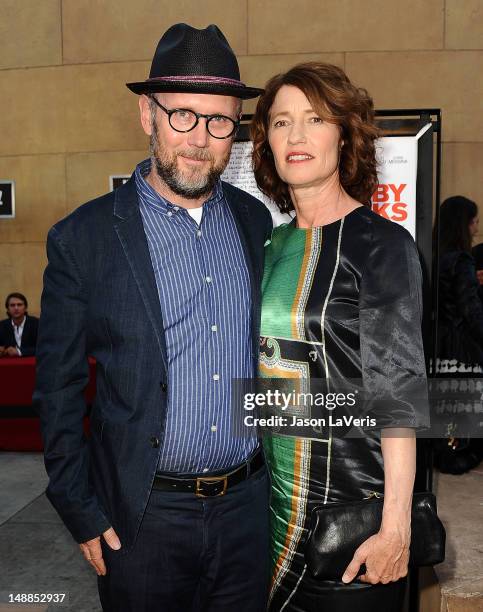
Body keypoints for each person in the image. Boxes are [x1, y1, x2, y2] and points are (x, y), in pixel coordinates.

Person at [34, 24, 272, 612]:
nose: (201, 139)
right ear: (148, 115)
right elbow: (57, 390)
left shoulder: (255, 223)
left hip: (248, 512)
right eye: (183, 116)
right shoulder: (82, 238)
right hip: (140, 519)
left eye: (220, 121)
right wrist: (79, 508)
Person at [251, 62, 427, 611]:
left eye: (315, 119)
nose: (296, 136)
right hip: (264, 521)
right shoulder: (267, 246)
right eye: (281, 123)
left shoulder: (381, 245)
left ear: (344, 135)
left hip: (350, 531)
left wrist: (395, 529)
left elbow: (398, 394)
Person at [433, 195, 483, 473]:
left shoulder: (433, 254)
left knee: (444, 405)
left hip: (438, 343)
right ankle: (458, 454)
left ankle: (445, 452)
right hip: (461, 346)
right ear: (463, 225)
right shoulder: (462, 259)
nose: (476, 228)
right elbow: (470, 309)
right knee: (463, 404)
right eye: (474, 221)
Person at [0, 292, 38, 357]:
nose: (16, 308)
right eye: (12, 305)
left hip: (32, 364)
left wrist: (19, 351)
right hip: (9, 364)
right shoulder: (1, 326)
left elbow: (43, 347)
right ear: (8, 309)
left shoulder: (36, 324)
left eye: (19, 305)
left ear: (25, 307)